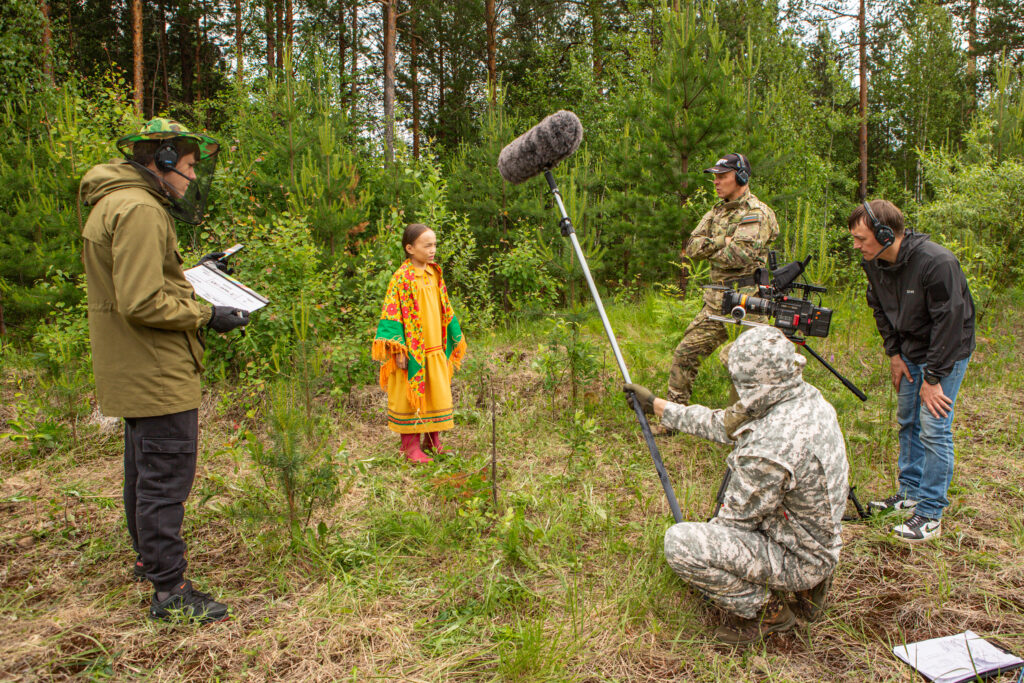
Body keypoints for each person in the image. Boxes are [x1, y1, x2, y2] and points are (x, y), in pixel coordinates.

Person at [79, 118, 249, 623]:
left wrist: (197, 274)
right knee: (165, 478)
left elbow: (144, 280)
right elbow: (142, 301)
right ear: (165, 160)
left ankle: (148, 561)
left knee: (142, 471)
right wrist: (207, 314)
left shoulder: (115, 203)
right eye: (190, 166)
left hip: (132, 367)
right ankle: (170, 591)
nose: (193, 178)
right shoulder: (140, 210)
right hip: (156, 370)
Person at [625, 325, 849, 645]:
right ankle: (810, 586)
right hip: (815, 539)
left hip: (800, 555)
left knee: (682, 543)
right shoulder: (801, 398)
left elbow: (733, 525)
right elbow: (724, 423)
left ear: (752, 384)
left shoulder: (771, 445)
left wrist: (707, 560)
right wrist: (659, 406)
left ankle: (770, 613)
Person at [849, 200, 974, 542]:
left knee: (934, 427)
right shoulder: (875, 263)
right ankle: (910, 495)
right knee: (908, 421)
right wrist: (894, 353)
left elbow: (950, 324)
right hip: (908, 349)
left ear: (886, 234)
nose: (857, 246)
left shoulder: (937, 263)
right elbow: (878, 307)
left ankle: (931, 513)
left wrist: (933, 379)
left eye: (862, 238)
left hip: (946, 352)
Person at [666, 153, 779, 412]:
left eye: (722, 176)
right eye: (714, 176)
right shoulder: (716, 211)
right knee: (686, 353)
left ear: (740, 177)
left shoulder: (756, 212)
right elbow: (691, 248)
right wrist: (722, 241)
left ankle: (742, 425)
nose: (716, 181)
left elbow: (739, 255)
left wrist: (718, 248)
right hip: (716, 303)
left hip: (749, 303)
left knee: (749, 366)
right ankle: (673, 415)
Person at [372, 224, 467, 463]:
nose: (433, 249)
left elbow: (445, 307)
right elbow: (392, 314)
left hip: (434, 346)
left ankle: (433, 441)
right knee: (409, 396)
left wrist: (453, 337)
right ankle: (410, 447)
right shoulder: (402, 278)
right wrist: (398, 349)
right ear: (410, 248)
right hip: (413, 350)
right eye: (427, 245)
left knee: (435, 391)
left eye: (434, 244)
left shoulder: (435, 273)